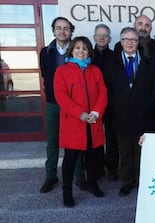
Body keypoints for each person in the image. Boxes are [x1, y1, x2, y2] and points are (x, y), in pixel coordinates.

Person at [54, 36, 108, 207]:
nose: (81, 51)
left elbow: (103, 93)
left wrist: (96, 112)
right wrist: (80, 113)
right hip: (74, 122)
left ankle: (92, 184)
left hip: (92, 122)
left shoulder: (95, 70)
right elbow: (61, 97)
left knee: (92, 157)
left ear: (89, 51)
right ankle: (67, 192)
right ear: (72, 50)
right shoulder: (62, 71)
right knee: (70, 159)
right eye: (78, 48)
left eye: (84, 48)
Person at [106, 27, 155, 197]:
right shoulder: (112, 64)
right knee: (126, 151)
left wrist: (147, 105)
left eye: (133, 40)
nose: (130, 42)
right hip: (121, 116)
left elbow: (153, 89)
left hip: (143, 115)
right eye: (126, 39)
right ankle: (127, 182)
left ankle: (142, 181)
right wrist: (117, 107)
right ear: (121, 42)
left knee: (142, 151)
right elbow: (109, 90)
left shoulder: (148, 63)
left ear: (138, 42)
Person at [39, 17, 86, 193]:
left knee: (76, 140)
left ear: (71, 31)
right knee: (52, 140)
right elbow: (46, 77)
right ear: (53, 30)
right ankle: (50, 175)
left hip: (74, 105)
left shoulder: (76, 50)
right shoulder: (46, 52)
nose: (62, 31)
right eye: (59, 28)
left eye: (66, 28)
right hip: (53, 103)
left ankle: (79, 175)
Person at [91, 24, 119, 181]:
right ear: (94, 37)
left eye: (105, 35)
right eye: (99, 35)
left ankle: (112, 167)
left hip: (111, 102)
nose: (102, 37)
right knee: (94, 136)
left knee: (111, 136)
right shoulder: (88, 55)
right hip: (92, 103)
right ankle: (97, 167)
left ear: (109, 38)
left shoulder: (114, 56)